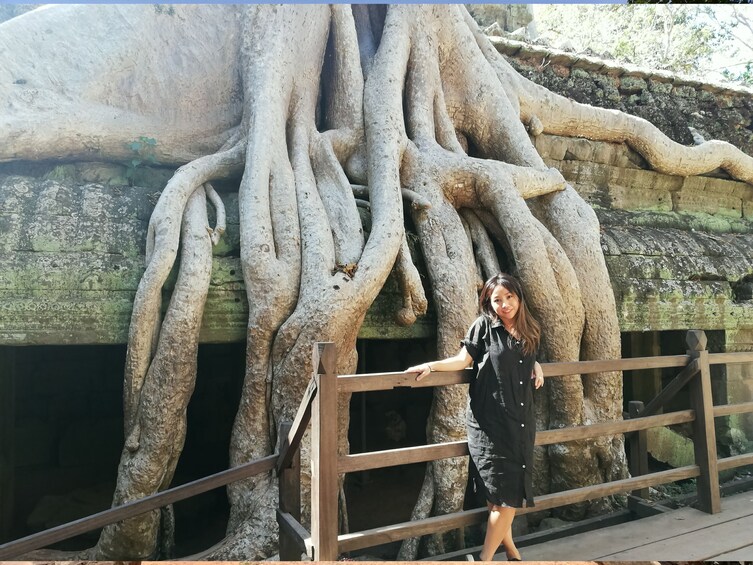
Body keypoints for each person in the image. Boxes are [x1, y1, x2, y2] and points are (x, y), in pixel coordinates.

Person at [406, 273, 544, 561]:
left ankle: (509, 552)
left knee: (506, 497)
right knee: (499, 496)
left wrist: (537, 365)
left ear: (519, 297)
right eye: (497, 300)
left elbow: (519, 356)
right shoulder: (484, 327)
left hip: (520, 422)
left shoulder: (531, 329)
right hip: (490, 422)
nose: (504, 305)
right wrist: (430, 366)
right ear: (489, 303)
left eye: (509, 298)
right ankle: (487, 559)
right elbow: (462, 360)